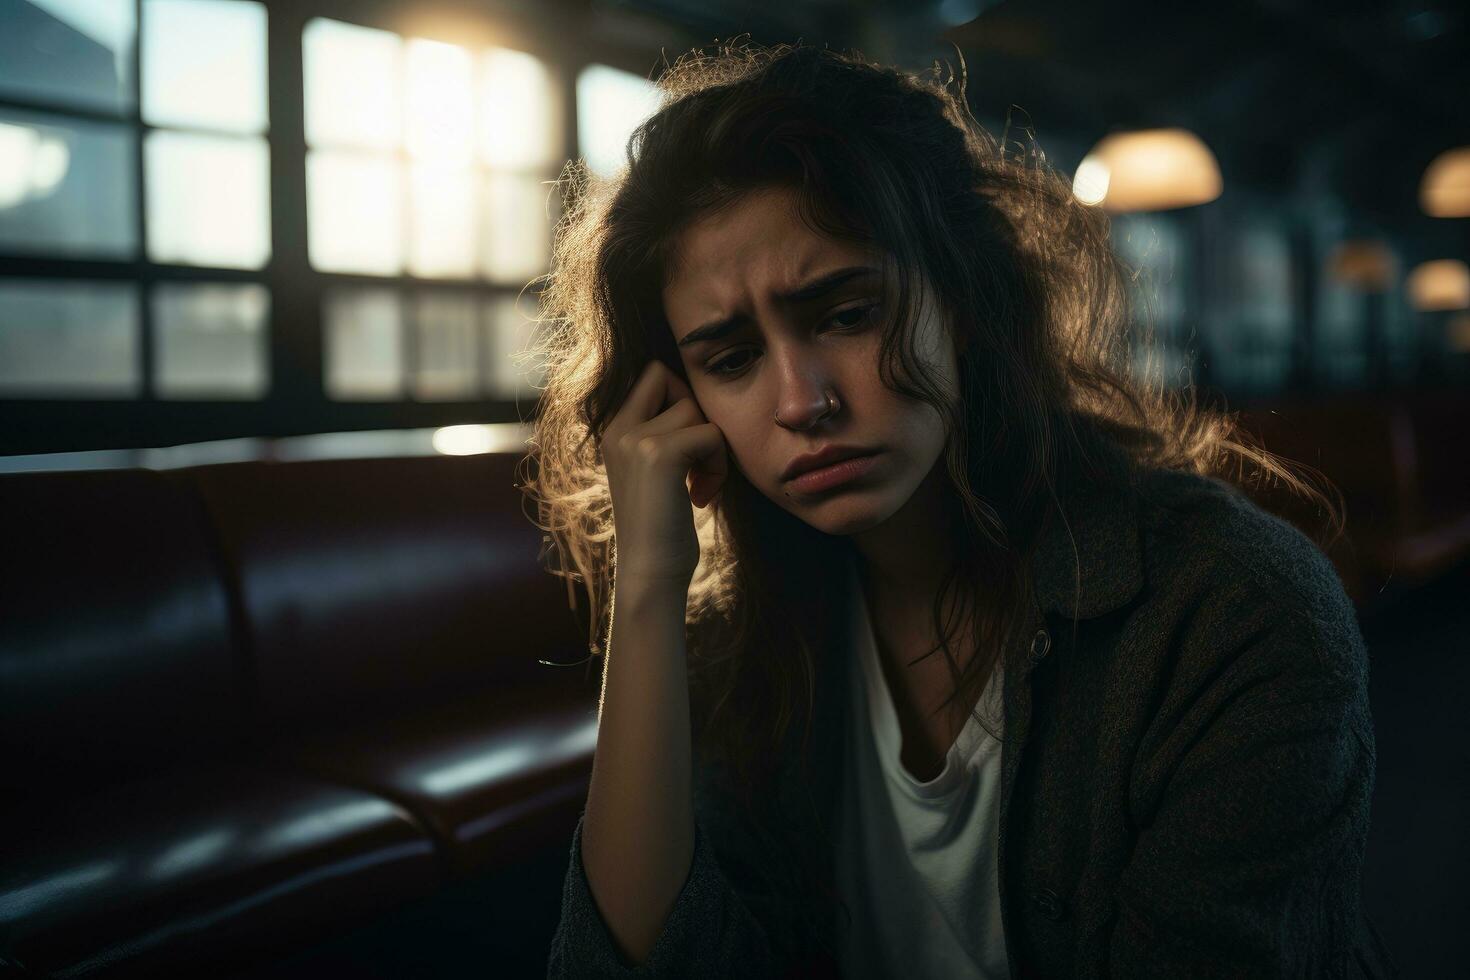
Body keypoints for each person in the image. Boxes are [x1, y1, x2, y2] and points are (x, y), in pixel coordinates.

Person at [524, 42, 1394, 979]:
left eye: (847, 314)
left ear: (966, 297)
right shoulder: (743, 636)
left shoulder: (1231, 609)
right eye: (730, 358)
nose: (799, 401)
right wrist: (650, 588)